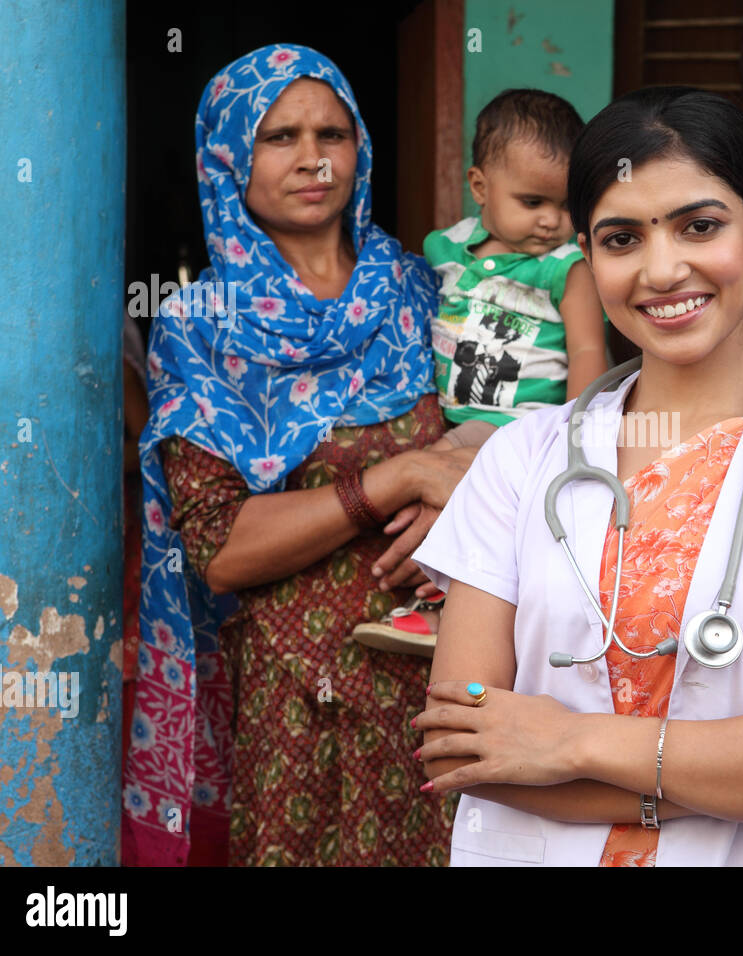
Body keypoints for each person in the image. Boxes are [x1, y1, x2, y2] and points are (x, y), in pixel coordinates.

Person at [409, 86, 743, 866]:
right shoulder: (520, 459)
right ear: (588, 255)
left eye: (699, 227)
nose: (663, 270)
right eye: (622, 238)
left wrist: (566, 741)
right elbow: (459, 752)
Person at [122, 44, 481, 867]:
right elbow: (220, 551)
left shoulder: (427, 292)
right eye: (279, 137)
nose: (314, 159)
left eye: (333, 132)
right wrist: (396, 477)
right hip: (300, 707)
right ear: (227, 161)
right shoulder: (201, 325)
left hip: (452, 678)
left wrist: (457, 487)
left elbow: (520, 433)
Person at [421, 89, 610, 454]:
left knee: (429, 464)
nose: (551, 221)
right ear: (480, 187)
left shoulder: (566, 267)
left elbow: (587, 350)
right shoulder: (447, 248)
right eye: (532, 202)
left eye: (567, 205)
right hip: (448, 413)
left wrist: (568, 437)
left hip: (521, 424)